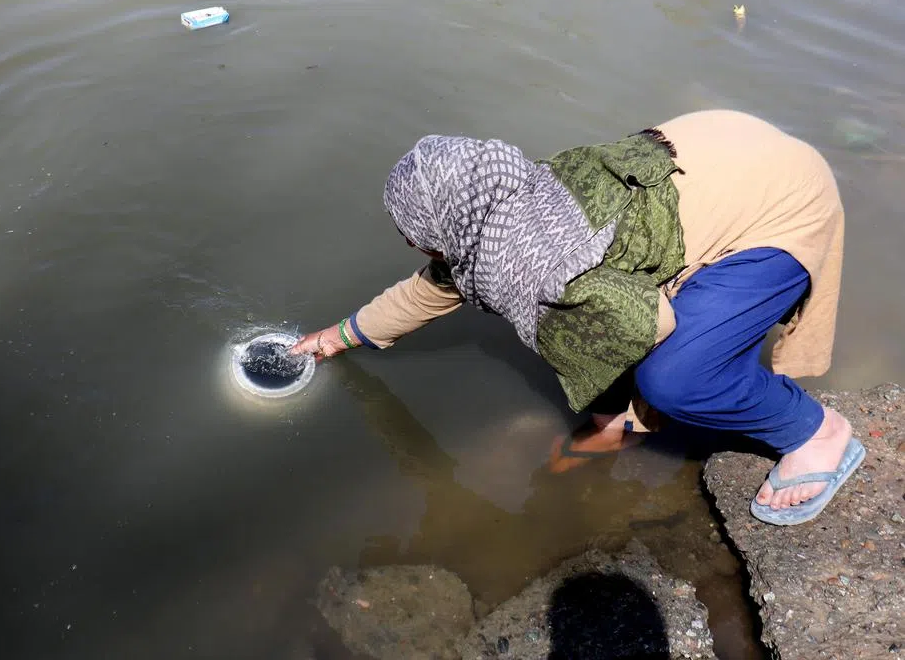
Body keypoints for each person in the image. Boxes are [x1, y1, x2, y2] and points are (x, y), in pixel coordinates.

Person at [290, 109, 863, 526]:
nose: (420, 252)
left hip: (783, 205)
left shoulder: (536, 270)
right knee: (616, 338)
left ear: (440, 238)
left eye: (418, 240)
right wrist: (336, 338)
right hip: (728, 144)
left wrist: (621, 424)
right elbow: (437, 287)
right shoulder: (511, 195)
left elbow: (652, 329)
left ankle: (816, 432)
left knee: (677, 379)